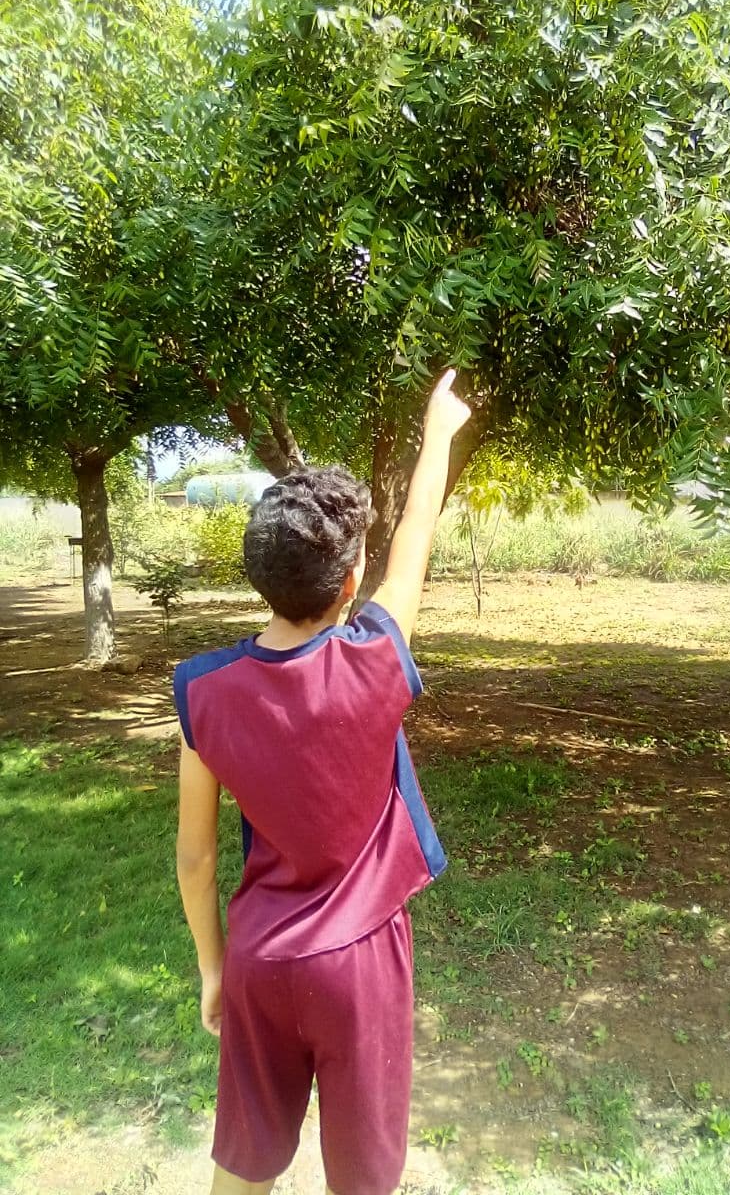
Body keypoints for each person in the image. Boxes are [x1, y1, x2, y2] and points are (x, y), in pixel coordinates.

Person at [173, 371, 471, 1195]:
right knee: (363, 1180)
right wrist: (439, 431)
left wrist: (213, 969)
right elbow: (416, 536)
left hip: (262, 958)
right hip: (362, 964)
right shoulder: (375, 660)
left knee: (242, 1166)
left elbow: (195, 861)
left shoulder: (203, 691)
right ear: (349, 585)